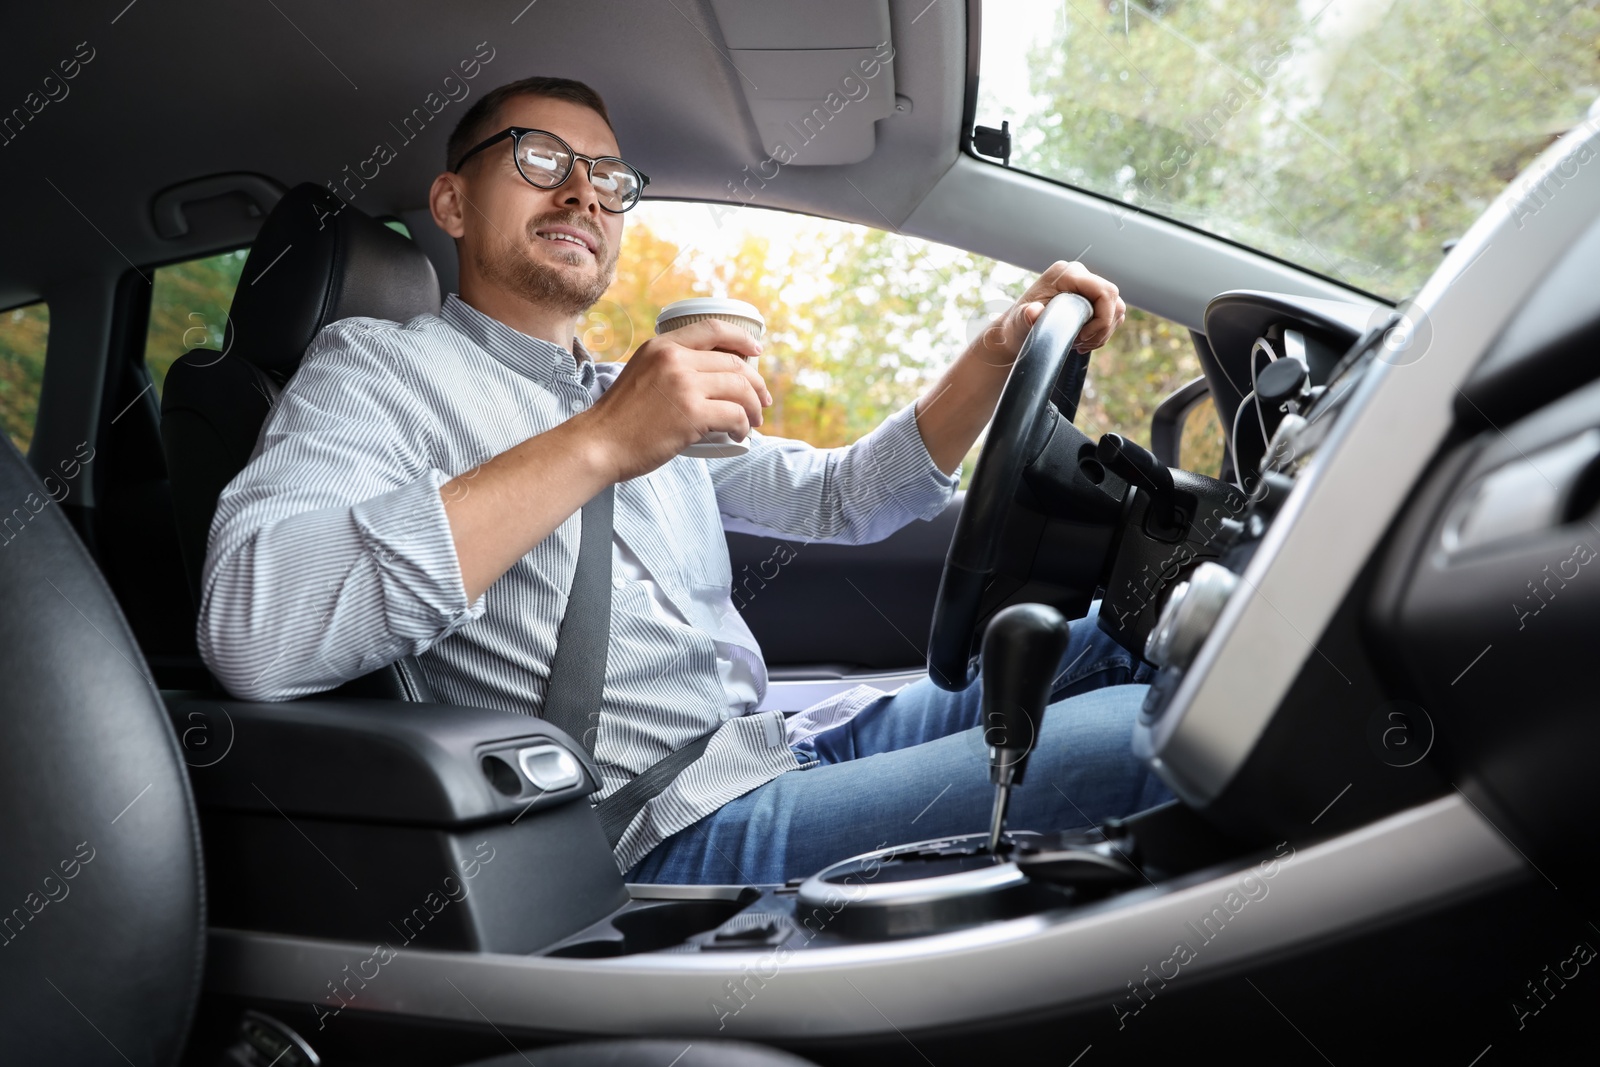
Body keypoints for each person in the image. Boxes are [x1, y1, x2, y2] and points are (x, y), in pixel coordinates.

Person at [199, 75, 1170, 886]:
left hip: (773, 745)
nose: (583, 192)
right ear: (451, 201)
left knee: (1125, 641)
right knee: (1153, 735)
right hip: (658, 826)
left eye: (609, 178)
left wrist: (995, 353)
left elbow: (845, 495)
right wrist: (600, 442)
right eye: (540, 159)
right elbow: (260, 629)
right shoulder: (375, 368)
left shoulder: (636, 388)